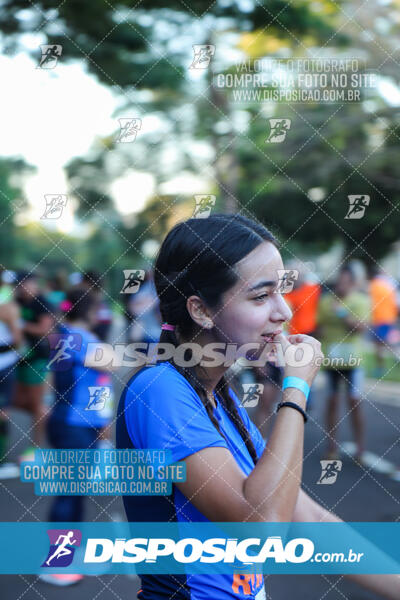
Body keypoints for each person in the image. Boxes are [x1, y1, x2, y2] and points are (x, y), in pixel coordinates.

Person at [116, 214, 399, 600]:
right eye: (261, 296)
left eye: (281, 292)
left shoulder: (219, 394)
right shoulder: (159, 390)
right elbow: (262, 529)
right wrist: (295, 387)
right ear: (201, 310)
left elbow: (309, 519)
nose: (283, 312)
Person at [40, 288, 115, 587]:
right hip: (73, 425)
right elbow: (111, 363)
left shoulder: (67, 334)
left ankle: (70, 551)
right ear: (87, 309)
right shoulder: (77, 337)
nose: (101, 313)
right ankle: (56, 564)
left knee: (75, 491)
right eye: (97, 306)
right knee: (69, 494)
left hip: (76, 423)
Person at [317, 266, 370, 461]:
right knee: (332, 402)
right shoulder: (325, 301)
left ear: (354, 283)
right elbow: (320, 326)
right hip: (332, 361)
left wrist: (341, 314)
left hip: (353, 361)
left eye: (347, 282)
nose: (342, 285)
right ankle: (331, 447)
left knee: (354, 402)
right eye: (340, 281)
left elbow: (361, 327)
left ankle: (360, 448)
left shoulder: (361, 300)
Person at [14, 272, 54, 459]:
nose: (21, 287)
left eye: (24, 284)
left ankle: (37, 447)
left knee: (37, 404)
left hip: (38, 359)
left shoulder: (42, 302)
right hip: (18, 360)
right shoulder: (16, 301)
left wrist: (19, 325)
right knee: (16, 401)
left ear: (34, 284)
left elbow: (44, 330)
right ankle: (49, 415)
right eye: (18, 284)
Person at [0, 271, 22, 479]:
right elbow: (17, 338)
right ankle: (2, 462)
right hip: (4, 363)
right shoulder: (8, 307)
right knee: (3, 412)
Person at [368, 267, 398, 378]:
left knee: (379, 344)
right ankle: (387, 363)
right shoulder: (389, 285)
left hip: (379, 318)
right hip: (389, 317)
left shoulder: (374, 286)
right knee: (386, 341)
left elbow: (370, 302)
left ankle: (381, 367)